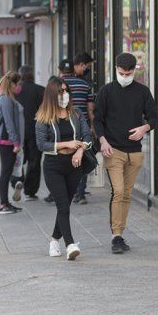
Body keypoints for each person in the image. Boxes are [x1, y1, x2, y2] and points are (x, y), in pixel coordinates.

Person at [93, 52, 158, 254]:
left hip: (135, 153)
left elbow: (154, 117)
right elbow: (97, 119)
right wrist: (102, 141)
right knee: (119, 191)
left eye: (128, 73)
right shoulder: (106, 92)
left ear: (134, 71)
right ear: (116, 70)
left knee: (127, 194)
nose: (125, 76)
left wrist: (144, 128)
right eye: (122, 73)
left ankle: (119, 233)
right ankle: (116, 236)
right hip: (113, 150)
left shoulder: (143, 92)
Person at [35, 77, 92, 261]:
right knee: (62, 205)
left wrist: (80, 151)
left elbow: (87, 136)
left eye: (66, 91)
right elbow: (42, 144)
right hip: (54, 167)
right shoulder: (43, 117)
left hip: (74, 165)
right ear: (52, 95)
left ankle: (53, 240)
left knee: (65, 206)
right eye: (61, 91)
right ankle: (70, 244)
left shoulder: (76, 114)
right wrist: (66, 143)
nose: (65, 95)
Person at [59, 56, 95, 205]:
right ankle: (80, 193)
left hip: (62, 124)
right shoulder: (85, 84)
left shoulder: (58, 85)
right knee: (82, 157)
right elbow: (90, 109)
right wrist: (92, 126)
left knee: (64, 157)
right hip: (82, 125)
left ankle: (66, 191)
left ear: (60, 71)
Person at [0, 71, 25, 215]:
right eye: (18, 84)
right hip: (6, 141)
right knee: (6, 172)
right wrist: (16, 142)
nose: (20, 87)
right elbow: (9, 123)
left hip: (7, 140)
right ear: (12, 84)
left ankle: (5, 202)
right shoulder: (6, 99)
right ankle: (3, 204)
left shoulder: (7, 98)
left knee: (7, 171)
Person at [14, 65, 45, 201]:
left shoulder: (15, 91)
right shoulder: (40, 90)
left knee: (18, 159)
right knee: (34, 161)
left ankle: (17, 180)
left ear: (20, 76)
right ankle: (30, 190)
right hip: (36, 131)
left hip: (18, 132)